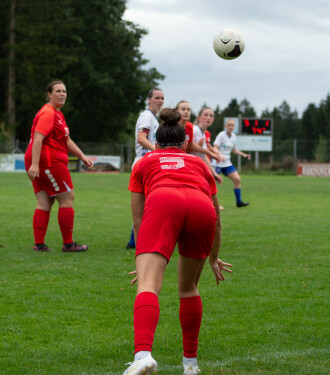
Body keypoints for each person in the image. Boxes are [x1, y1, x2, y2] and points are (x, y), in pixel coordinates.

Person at [123, 108, 232, 375]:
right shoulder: (199, 164)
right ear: (185, 144)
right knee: (188, 289)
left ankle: (143, 355)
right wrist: (213, 257)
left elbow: (138, 220)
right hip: (201, 207)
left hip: (163, 201)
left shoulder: (143, 163)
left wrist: (143, 257)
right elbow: (217, 218)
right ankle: (191, 365)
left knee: (149, 285)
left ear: (156, 144)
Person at [24, 80, 93, 252]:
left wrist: (82, 156)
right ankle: (68, 244)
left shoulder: (58, 114)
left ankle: (39, 245)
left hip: (43, 161)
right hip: (48, 162)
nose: (62, 94)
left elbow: (66, 140)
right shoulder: (48, 113)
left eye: (64, 91)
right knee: (67, 198)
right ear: (49, 94)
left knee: (44, 202)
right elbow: (38, 138)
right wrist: (35, 164)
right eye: (58, 91)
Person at [126, 88, 165, 250]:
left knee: (146, 205)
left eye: (162, 98)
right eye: (157, 97)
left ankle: (133, 241)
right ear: (149, 100)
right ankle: (138, 241)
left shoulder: (154, 118)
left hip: (148, 165)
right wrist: (157, 152)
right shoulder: (147, 117)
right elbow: (141, 138)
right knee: (151, 205)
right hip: (143, 165)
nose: (160, 101)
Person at [176, 101, 224, 183]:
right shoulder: (195, 130)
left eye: (211, 116)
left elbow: (199, 152)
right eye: (206, 115)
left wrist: (213, 172)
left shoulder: (203, 133)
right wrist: (212, 153)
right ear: (199, 117)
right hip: (185, 164)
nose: (208, 118)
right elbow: (192, 148)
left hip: (193, 165)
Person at [212, 118, 251, 207]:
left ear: (234, 127)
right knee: (211, 184)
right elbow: (215, 147)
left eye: (232, 125)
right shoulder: (221, 135)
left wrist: (244, 155)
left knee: (237, 180)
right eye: (229, 125)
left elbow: (233, 149)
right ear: (225, 126)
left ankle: (239, 202)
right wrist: (219, 155)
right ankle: (211, 203)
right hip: (217, 162)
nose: (230, 127)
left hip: (227, 163)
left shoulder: (234, 136)